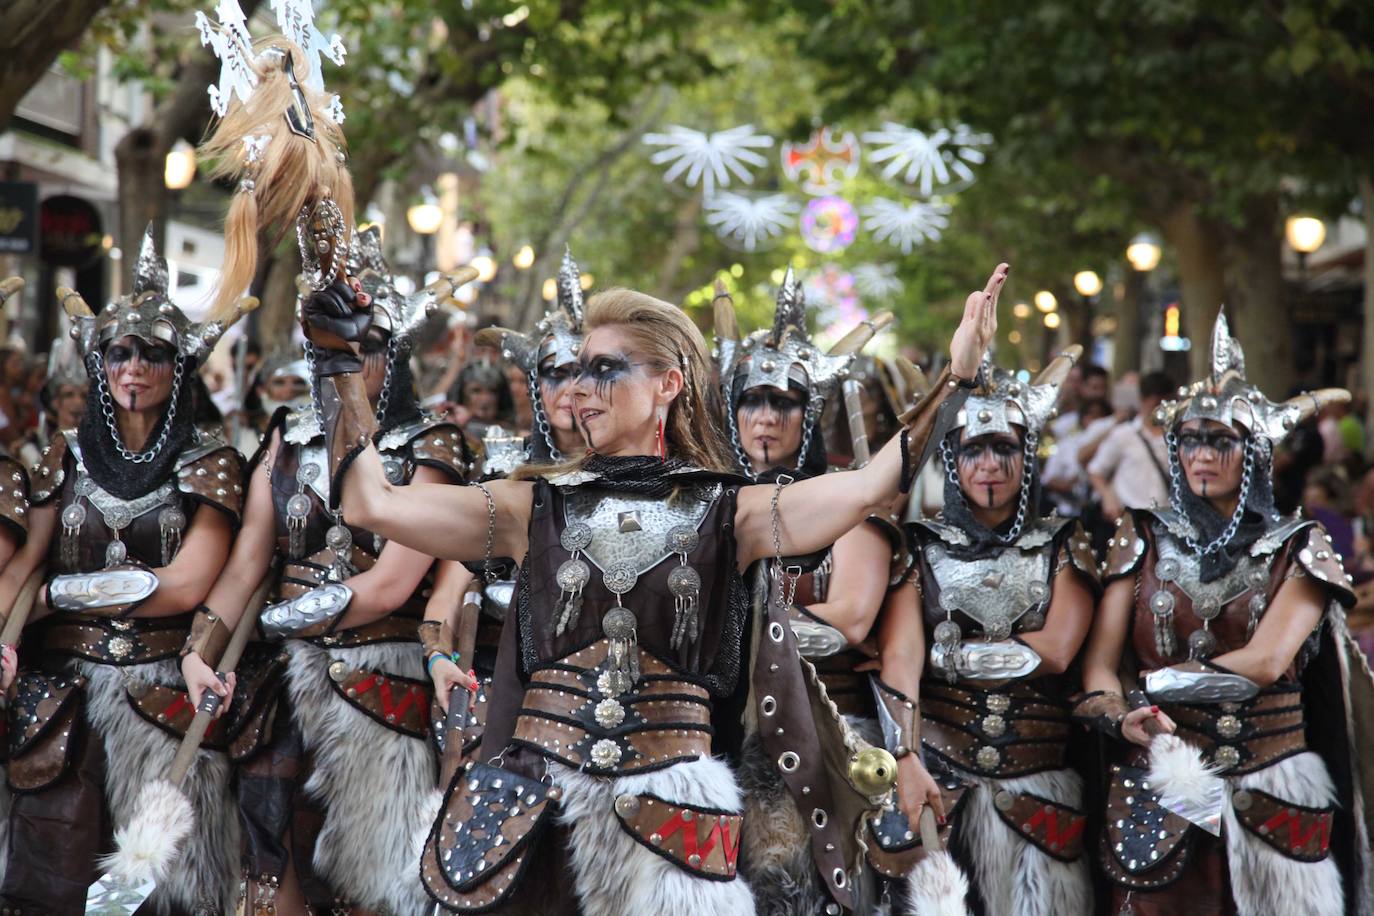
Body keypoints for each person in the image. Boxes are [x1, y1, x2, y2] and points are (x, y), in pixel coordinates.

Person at [299, 259, 1006, 914]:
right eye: (574, 372)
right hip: (535, 811)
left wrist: (958, 379)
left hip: (676, 810)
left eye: (604, 369)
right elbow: (370, 504)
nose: (577, 390)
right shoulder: (527, 505)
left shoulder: (732, 512)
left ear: (668, 384)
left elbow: (872, 486)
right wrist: (338, 366)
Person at [180, 227, 474, 914]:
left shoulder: (432, 445)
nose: (347, 362)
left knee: (370, 883)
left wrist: (277, 621)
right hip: (281, 685)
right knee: (269, 860)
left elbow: (392, 584)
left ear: (394, 355)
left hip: (382, 681)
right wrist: (199, 651)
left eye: (367, 346)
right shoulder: (287, 438)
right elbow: (247, 564)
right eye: (329, 347)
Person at [1076, 313, 1369, 916]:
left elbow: (1265, 661)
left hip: (1272, 781)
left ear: (1253, 452)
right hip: (1166, 776)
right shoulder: (1141, 535)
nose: (1202, 456)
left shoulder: (1300, 545)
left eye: (1221, 442)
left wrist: (1152, 686)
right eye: (1190, 441)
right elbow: (1100, 664)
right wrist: (1119, 716)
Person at [0, 230, 251, 912]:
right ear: (99, 364)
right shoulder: (63, 454)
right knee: (49, 883)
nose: (134, 368)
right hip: (58, 702)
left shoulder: (211, 460)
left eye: (153, 354)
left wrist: (57, 596)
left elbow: (187, 584)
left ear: (179, 367)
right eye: (118, 352)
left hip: (164, 693)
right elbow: (22, 567)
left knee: (162, 895)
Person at [875, 349, 1100, 915]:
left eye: (1005, 448)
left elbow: (1057, 650)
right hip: (940, 783)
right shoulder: (920, 547)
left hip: (1038, 787)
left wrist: (944, 658)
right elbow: (900, 662)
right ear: (952, 460)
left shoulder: (1063, 543)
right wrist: (905, 756)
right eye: (973, 449)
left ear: (1027, 455)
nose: (990, 465)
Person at [713, 269, 897, 914]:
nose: (765, 418)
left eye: (784, 403)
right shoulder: (704, 502)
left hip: (819, 735)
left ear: (808, 414)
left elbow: (850, 619)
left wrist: (732, 619)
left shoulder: (849, 507)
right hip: (709, 732)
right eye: (752, 401)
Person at [1087, 370, 1175, 519]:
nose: (1158, 409)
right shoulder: (1124, 434)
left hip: (1166, 517)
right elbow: (1096, 471)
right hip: (1129, 516)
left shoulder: (1178, 436)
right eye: (1154, 403)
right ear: (1142, 399)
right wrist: (1108, 497)